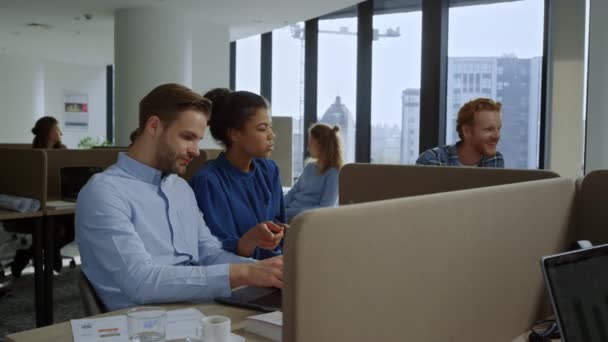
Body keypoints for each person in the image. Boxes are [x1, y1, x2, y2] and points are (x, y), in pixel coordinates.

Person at [75, 83, 283, 311]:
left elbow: (210, 254)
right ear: (154, 126)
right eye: (187, 137)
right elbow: (141, 282)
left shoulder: (180, 188)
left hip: (201, 311)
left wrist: (267, 269)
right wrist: (245, 272)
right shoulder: (104, 192)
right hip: (144, 324)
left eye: (198, 140)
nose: (195, 151)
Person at [190, 88, 286, 260]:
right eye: (262, 128)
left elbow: (280, 225)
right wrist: (250, 241)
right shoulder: (208, 181)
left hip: (278, 267)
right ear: (234, 133)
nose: (272, 135)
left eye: (270, 127)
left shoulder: (270, 170)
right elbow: (215, 253)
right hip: (239, 276)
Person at [11, 116, 71, 277]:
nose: (61, 133)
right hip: (35, 205)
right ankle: (52, 259)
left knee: (72, 228)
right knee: (51, 228)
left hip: (60, 202)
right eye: (57, 129)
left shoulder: (64, 152)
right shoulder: (32, 156)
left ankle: (29, 254)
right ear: (48, 132)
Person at [416, 98, 504, 167]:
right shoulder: (432, 160)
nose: (497, 136)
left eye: (498, 129)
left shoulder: (495, 159)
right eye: (489, 129)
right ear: (467, 131)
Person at [284, 123, 343, 221]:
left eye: (310, 142)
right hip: (289, 213)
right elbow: (293, 191)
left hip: (304, 219)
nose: (308, 147)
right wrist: (279, 208)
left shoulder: (333, 173)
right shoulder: (309, 167)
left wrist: (289, 213)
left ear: (321, 145)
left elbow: (325, 208)